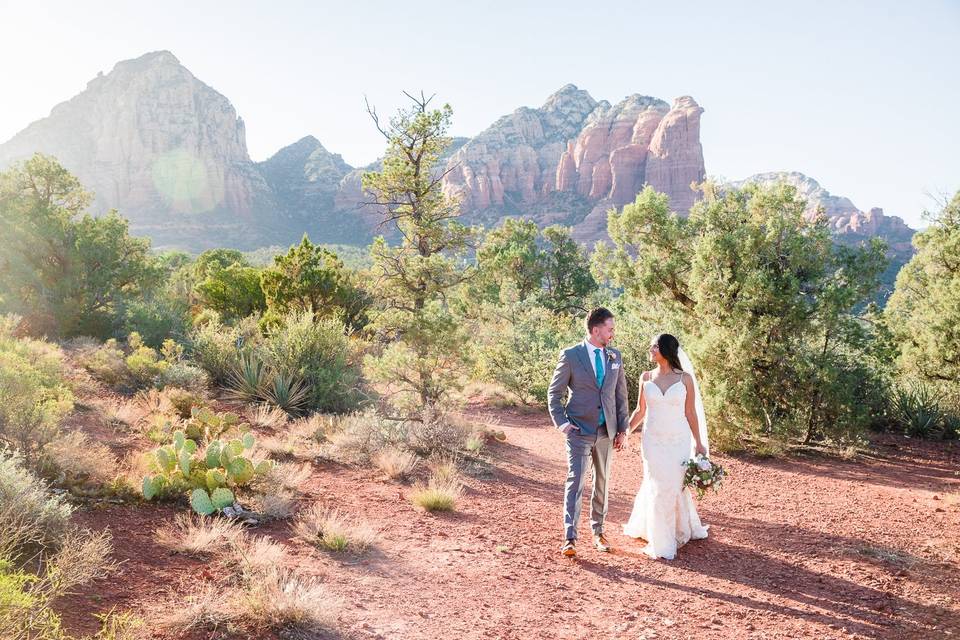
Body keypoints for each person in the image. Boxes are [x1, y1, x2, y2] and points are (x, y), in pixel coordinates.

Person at [547, 307, 629, 557]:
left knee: (602, 482)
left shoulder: (615, 356)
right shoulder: (571, 356)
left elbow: (620, 395)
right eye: (610, 329)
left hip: (607, 431)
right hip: (579, 430)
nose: (612, 334)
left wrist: (623, 429)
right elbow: (554, 393)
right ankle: (570, 537)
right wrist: (563, 424)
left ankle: (599, 532)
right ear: (596, 330)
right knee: (577, 481)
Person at [622, 333, 709, 560]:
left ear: (666, 350)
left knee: (673, 485)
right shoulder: (646, 377)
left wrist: (699, 443)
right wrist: (625, 431)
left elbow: (690, 413)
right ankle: (660, 539)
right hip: (652, 441)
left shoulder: (685, 379)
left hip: (678, 441)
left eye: (654, 347)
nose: (650, 350)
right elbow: (640, 411)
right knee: (658, 486)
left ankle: (676, 529)